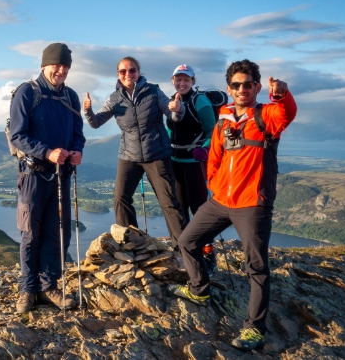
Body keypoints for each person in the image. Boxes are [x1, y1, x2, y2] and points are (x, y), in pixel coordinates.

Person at [169, 59, 297, 351]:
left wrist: (281, 95)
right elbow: (215, 153)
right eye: (236, 85)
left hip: (252, 203)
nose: (242, 89)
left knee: (256, 266)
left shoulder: (267, 116)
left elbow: (287, 113)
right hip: (221, 201)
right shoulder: (224, 116)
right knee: (187, 241)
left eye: (248, 84)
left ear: (257, 86)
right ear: (229, 88)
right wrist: (213, 183)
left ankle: (255, 329)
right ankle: (199, 290)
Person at [8, 42, 85, 314]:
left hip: (61, 175)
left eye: (65, 66)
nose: (61, 70)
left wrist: (77, 151)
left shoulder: (70, 97)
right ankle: (27, 289)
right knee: (30, 234)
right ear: (44, 66)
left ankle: (48, 285)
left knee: (57, 233)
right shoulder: (27, 92)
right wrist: (46, 152)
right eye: (56, 65)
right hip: (33, 175)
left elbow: (78, 132)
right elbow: (18, 135)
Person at [83, 57, 187, 248]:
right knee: (120, 197)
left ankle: (183, 249)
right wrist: (88, 111)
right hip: (129, 155)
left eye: (132, 70)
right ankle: (131, 244)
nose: (128, 74)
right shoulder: (115, 98)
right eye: (123, 71)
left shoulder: (153, 91)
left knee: (168, 202)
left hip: (157, 153)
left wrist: (178, 109)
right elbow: (96, 123)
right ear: (118, 75)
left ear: (139, 72)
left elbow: (172, 114)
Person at [166, 64, 216, 221]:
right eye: (178, 79)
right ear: (172, 80)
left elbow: (213, 130)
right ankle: (185, 243)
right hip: (175, 161)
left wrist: (206, 148)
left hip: (195, 161)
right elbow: (170, 130)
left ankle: (204, 244)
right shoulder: (171, 101)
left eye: (186, 80)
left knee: (198, 205)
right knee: (179, 206)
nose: (182, 83)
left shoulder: (200, 101)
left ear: (193, 81)